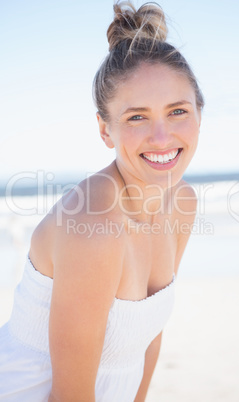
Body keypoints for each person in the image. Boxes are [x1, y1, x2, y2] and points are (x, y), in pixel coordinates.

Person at [0, 1, 204, 401]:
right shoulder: (95, 224)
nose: (162, 138)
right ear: (105, 130)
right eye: (137, 117)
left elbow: (150, 336)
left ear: (200, 113)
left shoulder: (182, 203)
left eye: (177, 111)